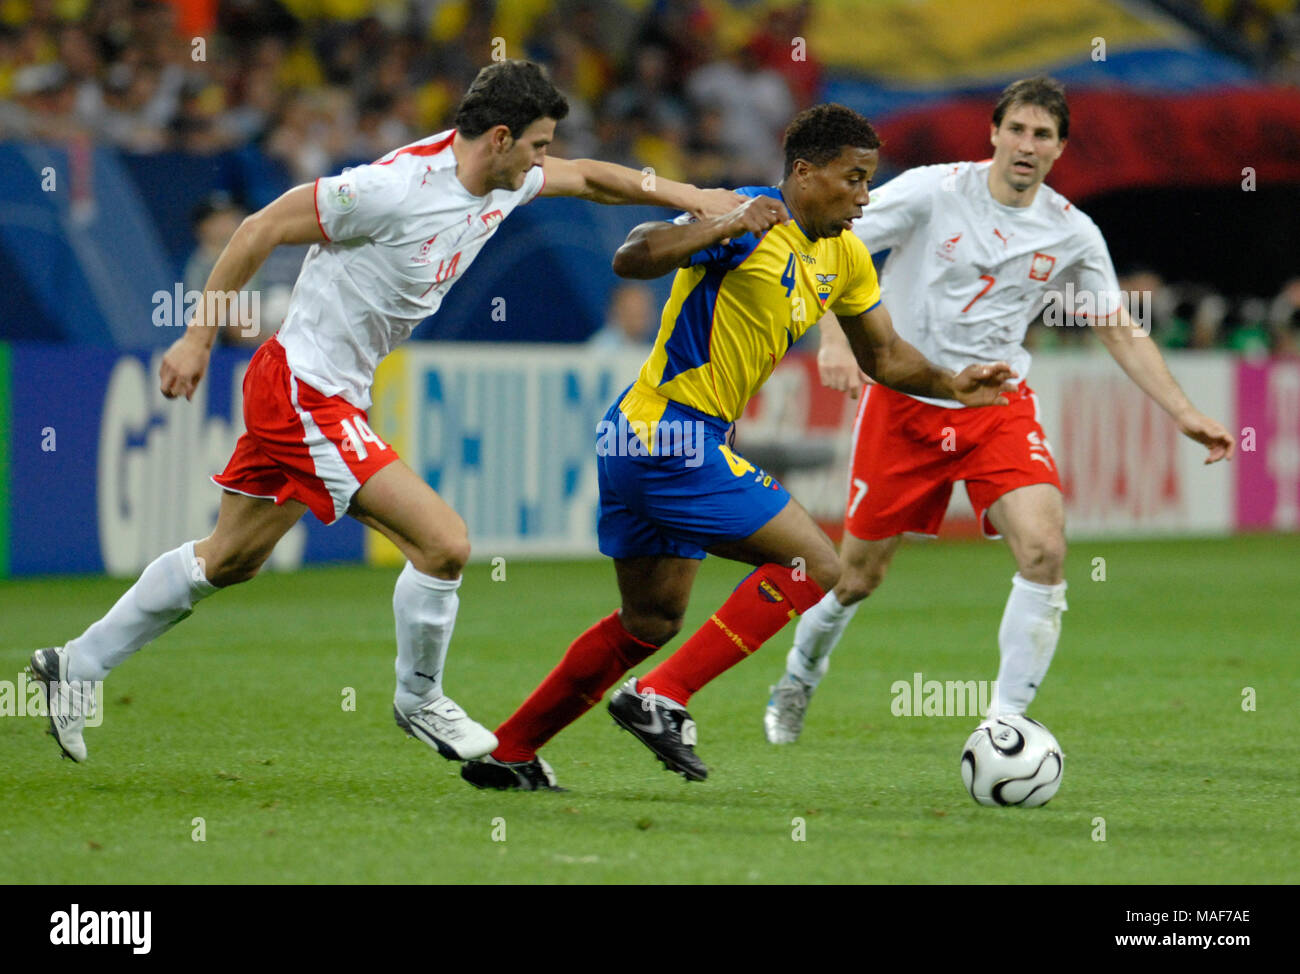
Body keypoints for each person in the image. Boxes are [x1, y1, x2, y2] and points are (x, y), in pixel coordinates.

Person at [28, 59, 739, 765]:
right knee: (444, 543)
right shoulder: (392, 189)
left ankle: (75, 667)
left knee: (230, 559)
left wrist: (693, 195)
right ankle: (419, 699)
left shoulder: (506, 179)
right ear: (498, 137)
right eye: (537, 144)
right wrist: (196, 335)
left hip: (329, 389)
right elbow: (259, 229)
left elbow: (589, 176)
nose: (543, 160)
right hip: (304, 389)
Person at [460, 104, 1017, 791]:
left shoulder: (843, 255)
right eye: (854, 179)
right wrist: (721, 222)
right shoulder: (748, 215)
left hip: (654, 439)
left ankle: (510, 751)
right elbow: (631, 256)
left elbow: (887, 356)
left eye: (870, 181)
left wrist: (952, 383)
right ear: (804, 175)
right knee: (818, 565)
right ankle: (659, 695)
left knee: (649, 619)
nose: (865, 197)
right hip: (666, 433)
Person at [762, 77, 1235, 744]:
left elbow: (1120, 329)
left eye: (1042, 134)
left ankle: (1007, 722)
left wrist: (1183, 412)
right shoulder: (933, 191)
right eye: (1017, 129)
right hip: (907, 402)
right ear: (994, 133)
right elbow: (835, 239)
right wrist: (836, 335)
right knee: (857, 575)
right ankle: (800, 673)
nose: (1026, 144)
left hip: (996, 403)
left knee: (1045, 550)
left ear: (1059, 148)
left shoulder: (1072, 232)